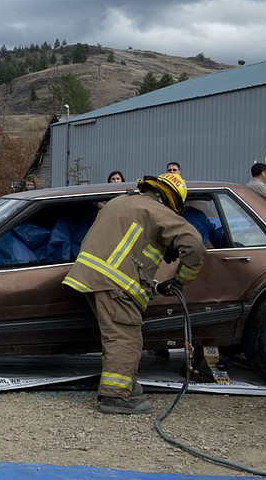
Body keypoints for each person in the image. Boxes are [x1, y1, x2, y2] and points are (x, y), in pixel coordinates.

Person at [62, 173, 205, 415]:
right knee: (125, 338)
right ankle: (115, 397)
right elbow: (194, 245)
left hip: (89, 278)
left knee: (115, 336)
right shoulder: (157, 211)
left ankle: (126, 384)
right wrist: (181, 280)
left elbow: (129, 241)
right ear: (171, 201)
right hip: (116, 283)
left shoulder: (119, 201)